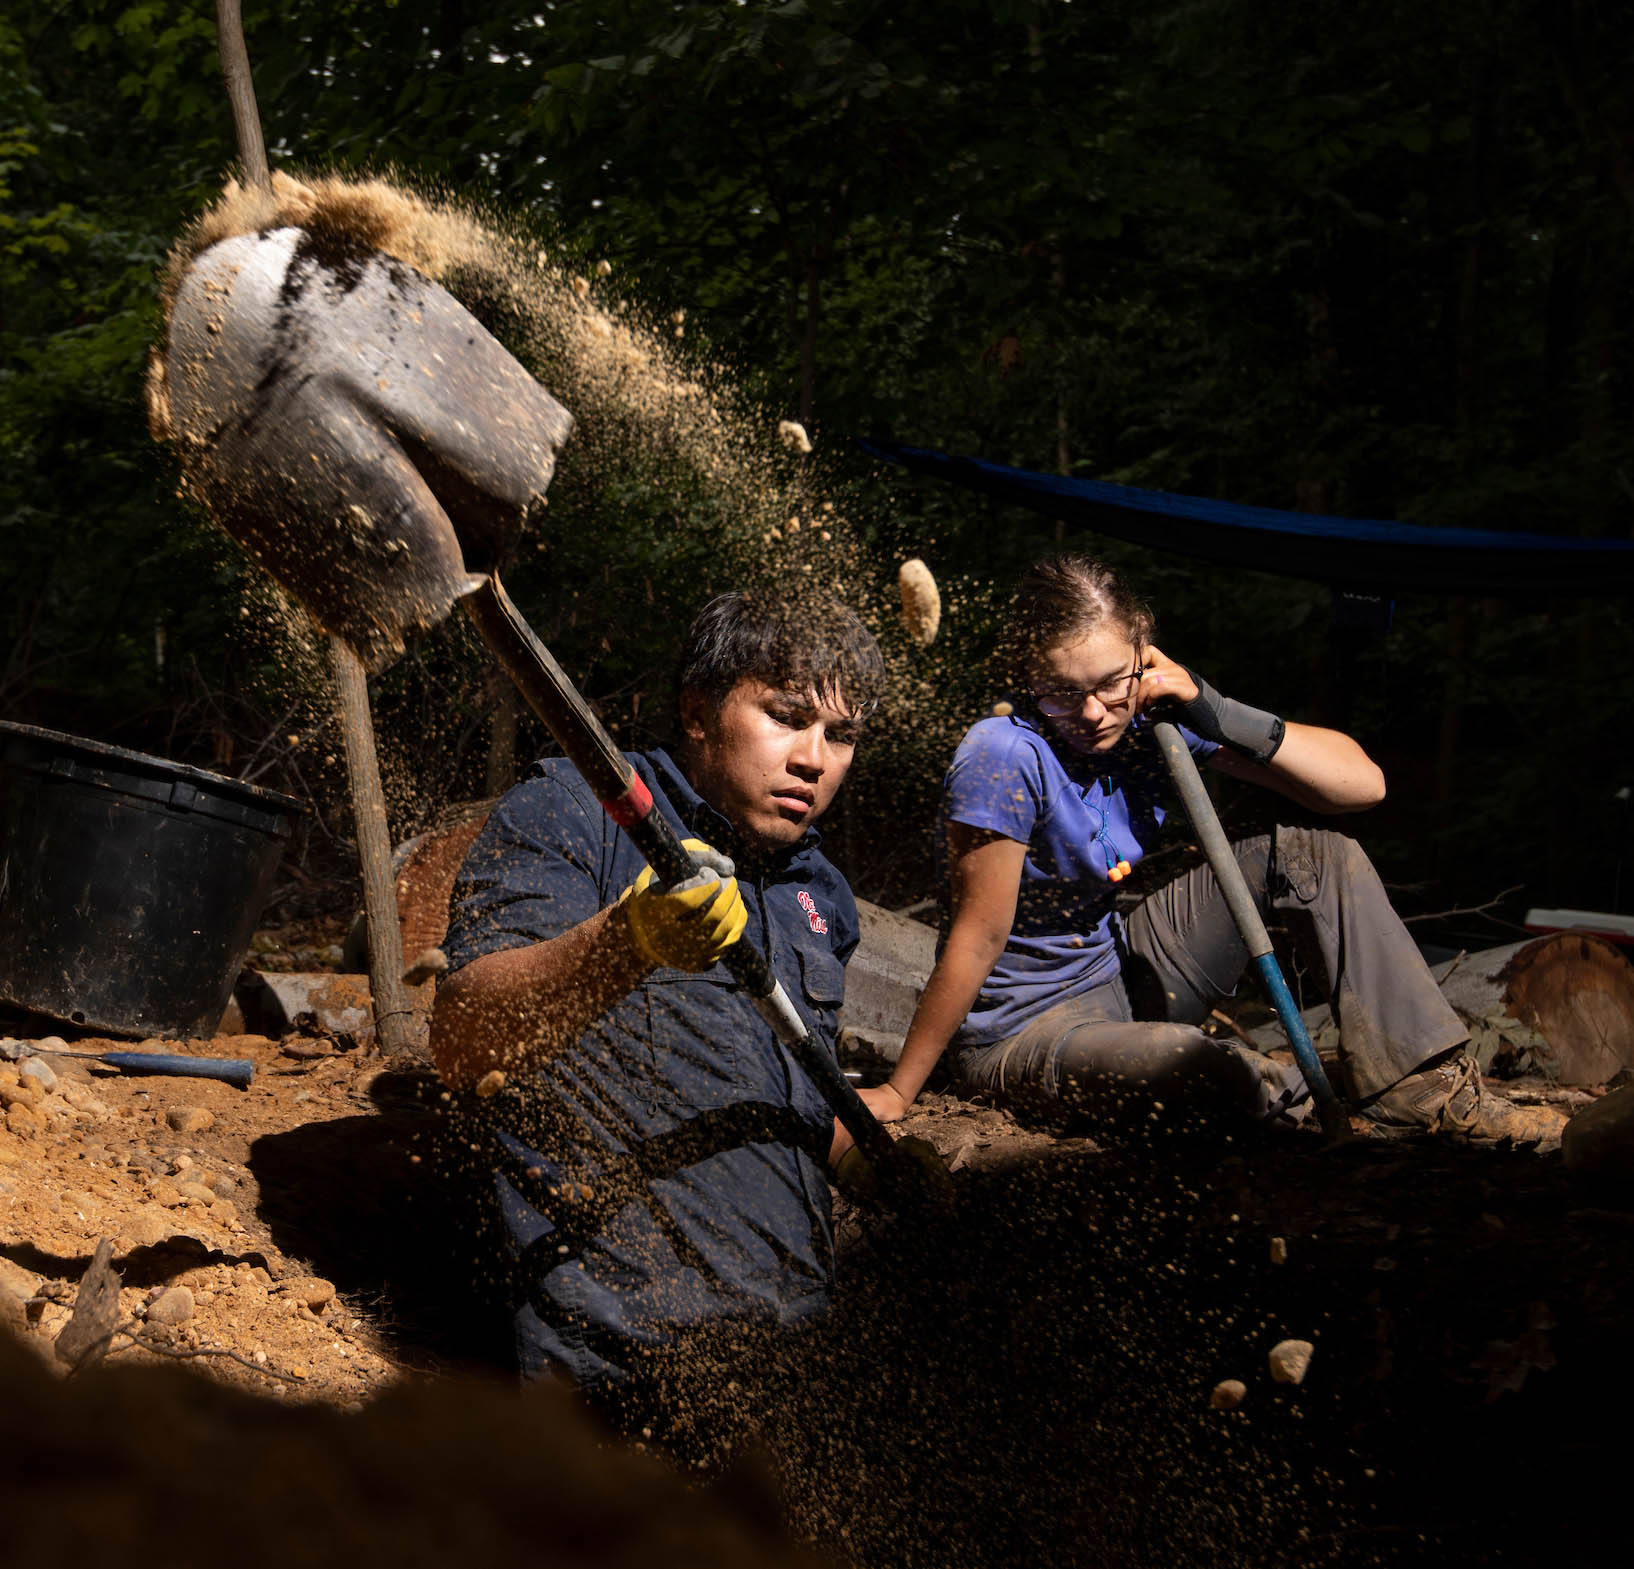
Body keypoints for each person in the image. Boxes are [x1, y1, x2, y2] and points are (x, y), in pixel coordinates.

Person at [854, 554, 1566, 1145]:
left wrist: (1215, 709)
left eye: (1111, 682)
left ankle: (1426, 1092)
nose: (1095, 713)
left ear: (1144, 649)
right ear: (1029, 678)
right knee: (1196, 1067)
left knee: (1315, 855)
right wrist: (898, 1089)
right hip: (1024, 1028)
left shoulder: (1154, 721)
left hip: (1122, 970)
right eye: (1063, 694)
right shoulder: (1005, 752)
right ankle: (1296, 1087)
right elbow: (979, 934)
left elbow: (1362, 788)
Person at [430, 590, 885, 1430]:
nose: (815, 759)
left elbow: (773, 1080)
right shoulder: (581, 809)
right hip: (616, 1370)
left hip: (799, 1355)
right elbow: (463, 1039)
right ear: (698, 712)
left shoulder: (822, 895)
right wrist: (628, 940)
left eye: (841, 734)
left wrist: (860, 1156)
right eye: (786, 717)